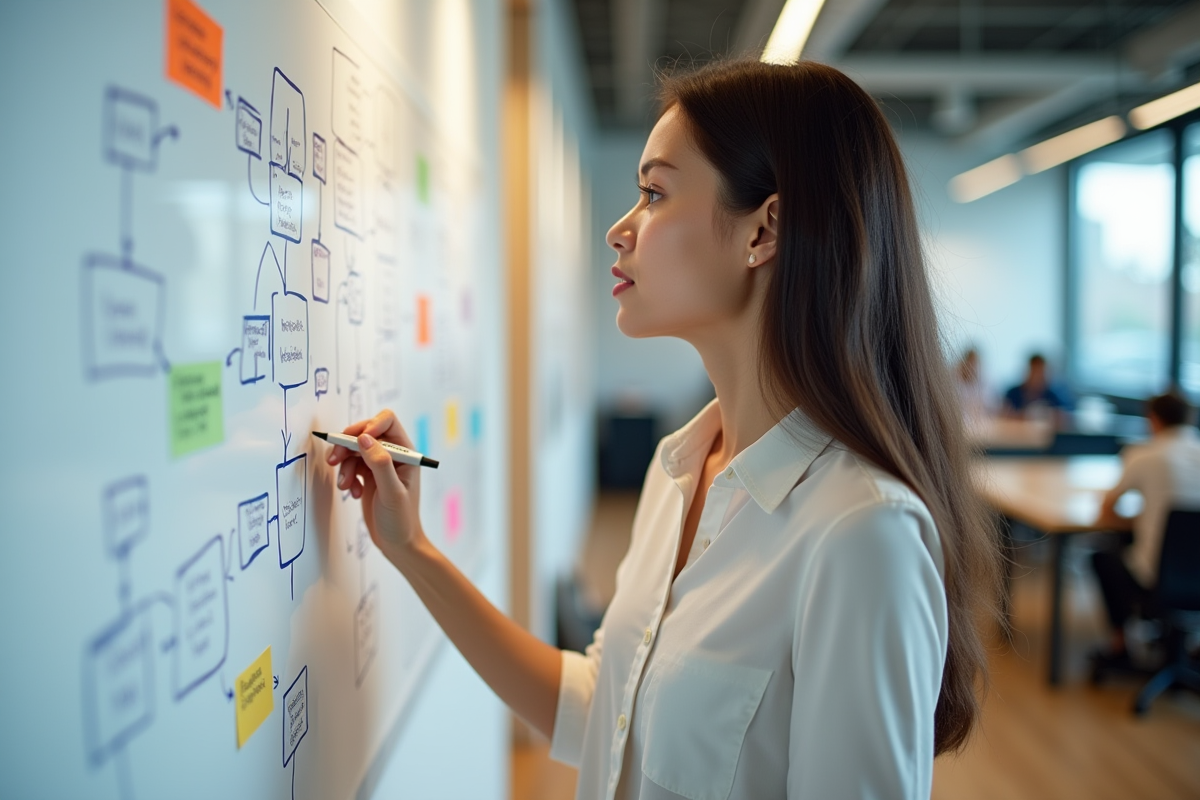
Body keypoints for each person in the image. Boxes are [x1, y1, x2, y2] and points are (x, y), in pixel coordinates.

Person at [328, 59, 1001, 799]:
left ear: (763, 229)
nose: (619, 230)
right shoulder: (679, 469)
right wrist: (412, 549)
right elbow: (602, 711)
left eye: (654, 193)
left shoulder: (861, 534)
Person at [1091, 391, 1200, 670]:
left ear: (1153, 420)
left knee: (1102, 556)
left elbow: (1107, 510)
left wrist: (1142, 522)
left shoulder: (1144, 455)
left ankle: (1120, 645)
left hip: (1159, 579)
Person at [1001, 353, 1072, 419]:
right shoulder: (1013, 394)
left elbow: (1064, 415)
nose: (1037, 377)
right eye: (1034, 372)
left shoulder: (1051, 396)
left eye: (1040, 372)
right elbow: (1004, 413)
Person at [955, 347, 991, 428]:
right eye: (969, 362)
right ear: (964, 362)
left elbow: (987, 404)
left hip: (979, 424)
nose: (971, 366)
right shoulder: (954, 379)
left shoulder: (982, 381)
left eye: (974, 363)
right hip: (959, 422)